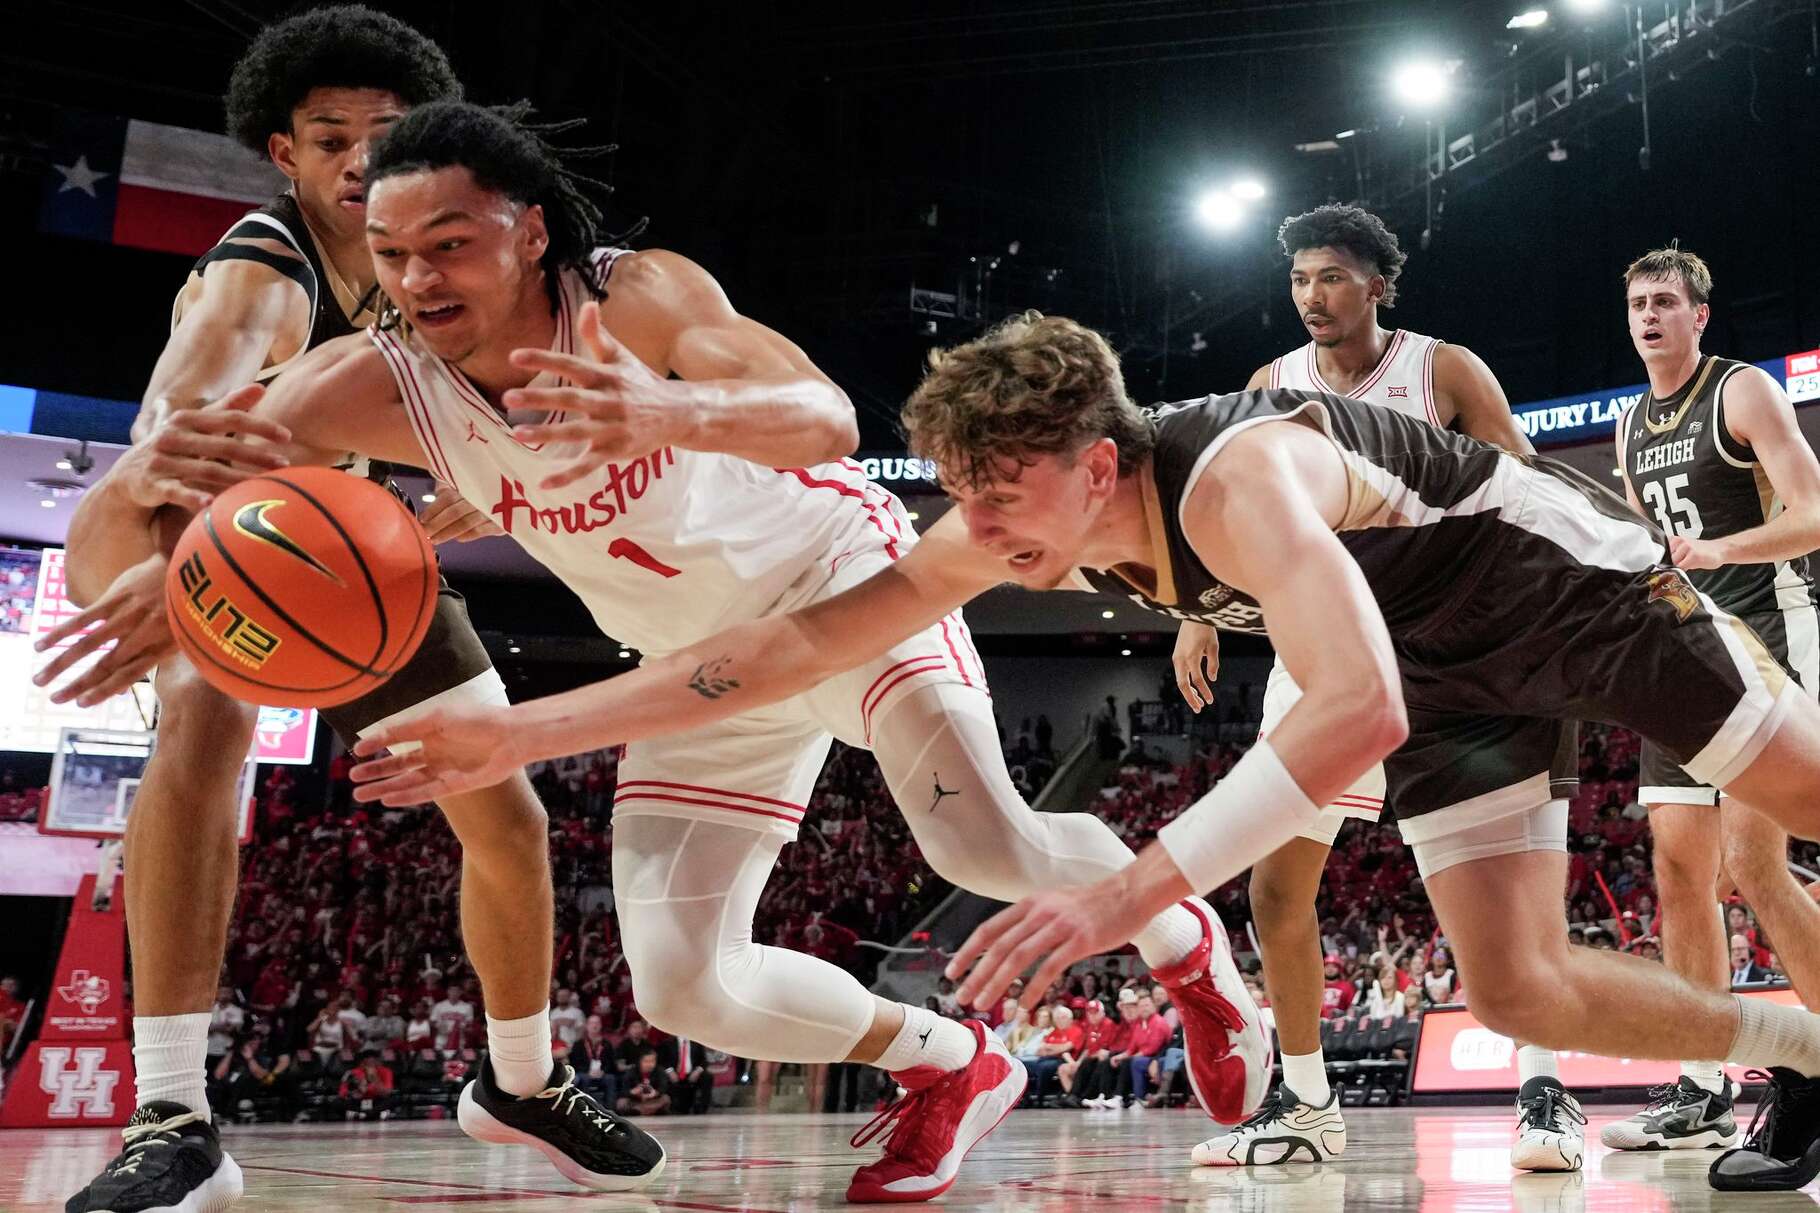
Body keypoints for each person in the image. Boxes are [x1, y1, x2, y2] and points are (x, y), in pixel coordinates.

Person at [50, 100, 1267, 1202]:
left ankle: (1187, 947)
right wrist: (163, 574)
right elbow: (134, 501)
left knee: (978, 843)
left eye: (450, 244)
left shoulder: (634, 300)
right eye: (391, 252)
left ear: (527, 233)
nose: (416, 277)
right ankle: (952, 1062)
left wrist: (671, 408)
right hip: (689, 657)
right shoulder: (367, 385)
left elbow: (827, 416)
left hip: (836, 578)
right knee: (682, 986)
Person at [352, 308, 1820, 1192]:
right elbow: (784, 651)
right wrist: (514, 732)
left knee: (1804, 797)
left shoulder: (1234, 475)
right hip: (1440, 672)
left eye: (1002, 498)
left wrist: (1126, 895)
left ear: (1098, 459)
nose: (980, 533)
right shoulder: (1021, 518)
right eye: (965, 501)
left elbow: (1353, 711)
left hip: (1568, 588)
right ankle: (1804, 1046)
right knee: (1519, 986)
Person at [49, 10, 661, 1212]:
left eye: (381, 137)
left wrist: (461, 493)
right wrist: (177, 553)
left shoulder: (421, 268)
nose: (354, 160)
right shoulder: (259, 269)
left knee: (510, 815)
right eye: (330, 137)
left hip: (356, 562)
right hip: (221, 535)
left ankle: (523, 1079)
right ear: (283, 152)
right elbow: (185, 416)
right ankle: (171, 1113)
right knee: (200, 718)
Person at [1173, 204, 1576, 1170]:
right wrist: (1198, 608)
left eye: (1332, 279)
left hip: (1446, 645)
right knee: (1276, 885)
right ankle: (1308, 1103)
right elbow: (1235, 502)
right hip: (1323, 643)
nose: (1313, 297)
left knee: (1503, 896)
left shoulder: (1444, 370)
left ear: (1377, 285)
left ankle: (1544, 1089)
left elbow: (1523, 487)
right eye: (1300, 280)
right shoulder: (1274, 382)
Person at [1599, 244, 1820, 1156]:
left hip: (1768, 635)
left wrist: (1725, 553)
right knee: (1680, 873)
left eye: (1665, 301)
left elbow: (1813, 508)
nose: (1648, 315)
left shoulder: (1742, 393)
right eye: (1636, 302)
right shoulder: (1626, 423)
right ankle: (1701, 1083)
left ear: (1699, 315)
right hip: (1683, 652)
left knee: (1754, 865)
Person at [656, 1032, 714, 1115]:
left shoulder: (697, 1043)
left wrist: (697, 1071)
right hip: (674, 1074)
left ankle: (703, 1108)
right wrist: (669, 1071)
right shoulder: (668, 1043)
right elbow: (661, 1060)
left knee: (707, 1077)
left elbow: (704, 1061)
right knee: (663, 1077)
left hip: (692, 1074)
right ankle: (671, 1107)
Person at [618, 1050, 671, 1117]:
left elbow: (664, 1087)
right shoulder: (631, 1072)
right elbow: (623, 1091)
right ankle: (647, 1111)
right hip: (636, 1101)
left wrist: (654, 1093)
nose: (650, 1064)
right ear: (640, 1062)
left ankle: (641, 1111)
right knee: (621, 1102)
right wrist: (633, 1092)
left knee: (666, 1098)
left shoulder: (659, 1071)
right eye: (646, 1061)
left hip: (653, 1100)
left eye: (652, 1061)